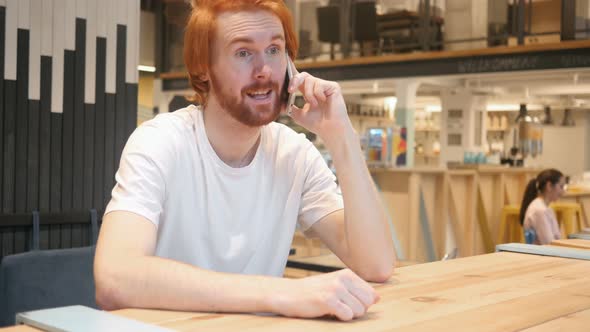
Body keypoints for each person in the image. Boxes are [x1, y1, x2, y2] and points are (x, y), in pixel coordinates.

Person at [94, 0, 395, 322]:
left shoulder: (294, 153)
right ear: (203, 69)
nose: (264, 70)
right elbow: (114, 278)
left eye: (274, 50)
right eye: (243, 53)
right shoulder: (161, 141)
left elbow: (375, 265)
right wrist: (281, 292)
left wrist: (341, 136)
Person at [519, 169, 566, 245]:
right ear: (549, 186)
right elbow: (549, 243)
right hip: (542, 254)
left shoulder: (546, 208)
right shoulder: (539, 210)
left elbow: (557, 238)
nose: (563, 192)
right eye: (561, 186)